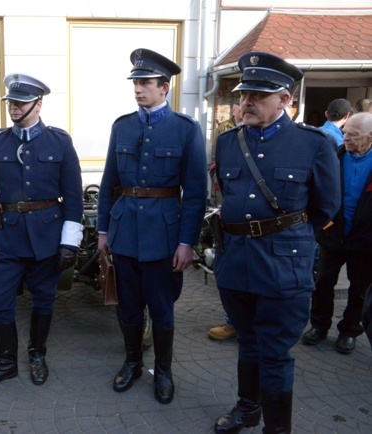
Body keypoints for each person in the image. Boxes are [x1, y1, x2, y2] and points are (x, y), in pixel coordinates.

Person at [212, 52, 340, 434]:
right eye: (243, 94)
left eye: (257, 95)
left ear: (285, 99)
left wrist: (286, 239)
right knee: (247, 341)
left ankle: (277, 429)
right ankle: (248, 409)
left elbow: (325, 208)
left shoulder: (313, 143)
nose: (246, 102)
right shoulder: (227, 143)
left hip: (285, 266)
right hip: (236, 263)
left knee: (275, 352)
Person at [97, 48, 207, 404]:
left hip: (164, 234)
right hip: (124, 230)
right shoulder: (122, 126)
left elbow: (194, 193)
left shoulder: (185, 129)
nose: (138, 89)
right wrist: (102, 230)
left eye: (145, 83)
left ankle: (163, 370)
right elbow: (109, 183)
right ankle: (131, 363)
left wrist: (187, 242)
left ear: (165, 87)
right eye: (135, 83)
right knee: (128, 307)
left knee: (161, 308)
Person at [0, 73, 83, 390]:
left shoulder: (60, 142)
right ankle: (5, 362)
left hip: (47, 238)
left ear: (39, 103)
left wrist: (69, 243)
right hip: (6, 237)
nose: (14, 108)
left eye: (21, 102)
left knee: (44, 301)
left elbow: (74, 198)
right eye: (11, 102)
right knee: (1, 303)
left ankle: (37, 355)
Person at [301, 112, 372, 354]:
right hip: (332, 235)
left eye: (353, 134)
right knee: (321, 283)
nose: (346, 137)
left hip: (365, 241)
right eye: (345, 132)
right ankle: (319, 326)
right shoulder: (335, 157)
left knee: (359, 289)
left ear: (370, 137)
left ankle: (349, 330)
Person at [208, 100, 242, 341]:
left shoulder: (301, 141)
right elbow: (217, 169)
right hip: (231, 225)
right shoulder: (226, 137)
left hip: (274, 236)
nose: (248, 106)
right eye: (244, 101)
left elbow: (323, 203)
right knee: (230, 278)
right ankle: (234, 321)